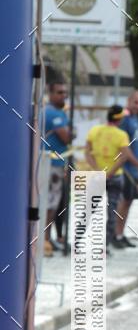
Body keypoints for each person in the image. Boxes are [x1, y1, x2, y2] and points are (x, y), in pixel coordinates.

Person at [86, 105, 138, 251]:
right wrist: (111, 172)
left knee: (88, 209)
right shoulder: (121, 135)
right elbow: (124, 156)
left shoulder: (94, 130)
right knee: (112, 212)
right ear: (119, 119)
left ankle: (76, 242)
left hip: (96, 176)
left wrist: (98, 170)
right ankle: (103, 247)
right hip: (115, 178)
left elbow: (88, 152)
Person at [114, 89, 138, 247]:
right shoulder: (123, 119)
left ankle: (120, 234)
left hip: (134, 169)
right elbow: (122, 146)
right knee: (122, 202)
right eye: (136, 102)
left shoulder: (137, 119)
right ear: (129, 101)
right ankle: (115, 235)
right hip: (124, 168)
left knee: (128, 202)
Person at [42, 81, 73, 256]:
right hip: (52, 165)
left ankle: (48, 237)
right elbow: (66, 137)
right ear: (51, 94)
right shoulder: (54, 113)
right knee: (51, 203)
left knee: (53, 203)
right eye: (60, 92)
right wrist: (71, 133)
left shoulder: (56, 112)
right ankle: (45, 238)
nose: (64, 95)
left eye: (65, 92)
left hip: (55, 163)